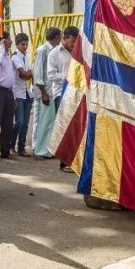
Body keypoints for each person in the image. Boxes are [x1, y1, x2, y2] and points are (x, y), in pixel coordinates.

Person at [46, 26, 78, 171]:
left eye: (76, 42)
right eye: (72, 42)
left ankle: (73, 160)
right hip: (61, 94)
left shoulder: (78, 52)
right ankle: (64, 162)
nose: (74, 45)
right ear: (64, 38)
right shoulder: (54, 54)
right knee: (65, 128)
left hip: (76, 94)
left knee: (75, 127)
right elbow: (51, 75)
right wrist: (68, 78)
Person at [30, 27, 60, 159]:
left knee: (49, 122)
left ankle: (46, 149)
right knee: (42, 121)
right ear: (56, 38)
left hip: (51, 90)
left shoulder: (54, 50)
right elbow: (38, 73)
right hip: (45, 91)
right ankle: (39, 149)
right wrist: (43, 93)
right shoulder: (43, 50)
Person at [10, 33, 33, 155]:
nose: (25, 46)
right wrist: (27, 74)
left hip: (27, 93)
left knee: (25, 123)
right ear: (17, 45)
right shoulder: (15, 57)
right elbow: (24, 74)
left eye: (26, 44)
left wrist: (27, 74)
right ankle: (11, 145)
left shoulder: (26, 57)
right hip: (17, 93)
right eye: (22, 44)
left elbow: (28, 74)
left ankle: (21, 147)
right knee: (18, 121)